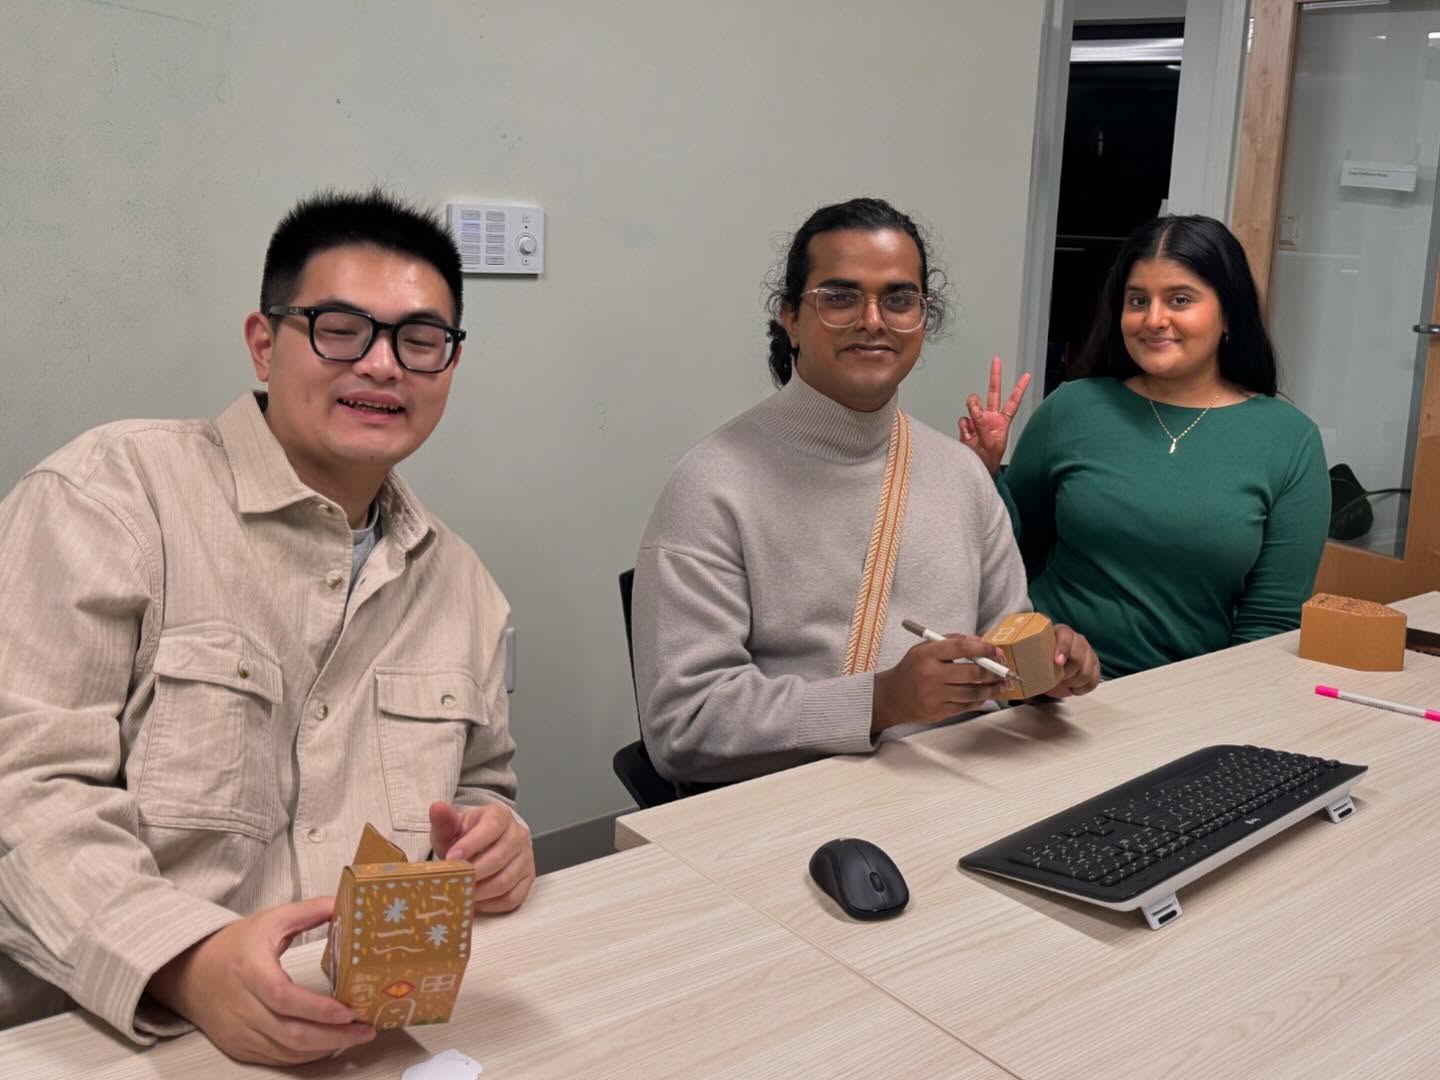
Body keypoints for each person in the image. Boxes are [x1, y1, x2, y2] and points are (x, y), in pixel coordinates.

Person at [0, 190, 535, 1064]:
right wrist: (184, 961)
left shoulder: (465, 586)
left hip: (372, 1034)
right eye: (339, 328)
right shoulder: (110, 497)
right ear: (263, 342)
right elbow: (21, 789)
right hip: (108, 1036)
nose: (383, 365)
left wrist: (494, 839)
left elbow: (481, 786)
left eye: (421, 339)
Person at [631, 197, 1100, 790]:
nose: (873, 320)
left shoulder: (961, 476)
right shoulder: (711, 486)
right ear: (791, 318)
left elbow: (1003, 649)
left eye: (899, 299)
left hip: (958, 793)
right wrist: (882, 701)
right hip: (795, 815)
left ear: (923, 320)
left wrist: (1045, 668)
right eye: (840, 297)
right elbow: (684, 727)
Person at [958, 215, 1329, 678]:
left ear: (1228, 313)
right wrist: (985, 473)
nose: (1154, 319)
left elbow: (1270, 624)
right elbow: (1011, 556)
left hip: (1181, 699)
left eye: (1180, 299)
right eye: (1138, 301)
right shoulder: (1072, 407)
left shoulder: (1289, 440)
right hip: (1044, 683)